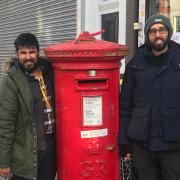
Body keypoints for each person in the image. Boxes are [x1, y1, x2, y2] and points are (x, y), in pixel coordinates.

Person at [119, 14, 180, 180]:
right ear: (147, 35)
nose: (158, 34)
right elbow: (125, 105)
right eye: (152, 31)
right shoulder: (135, 64)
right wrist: (123, 140)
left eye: (162, 30)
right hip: (142, 144)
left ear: (169, 32)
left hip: (174, 144)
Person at [0, 33, 56, 180]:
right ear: (17, 54)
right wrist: (4, 162)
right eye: (23, 53)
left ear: (38, 52)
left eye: (32, 52)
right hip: (24, 154)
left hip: (50, 151)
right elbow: (5, 124)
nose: (28, 57)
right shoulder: (10, 82)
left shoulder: (49, 72)